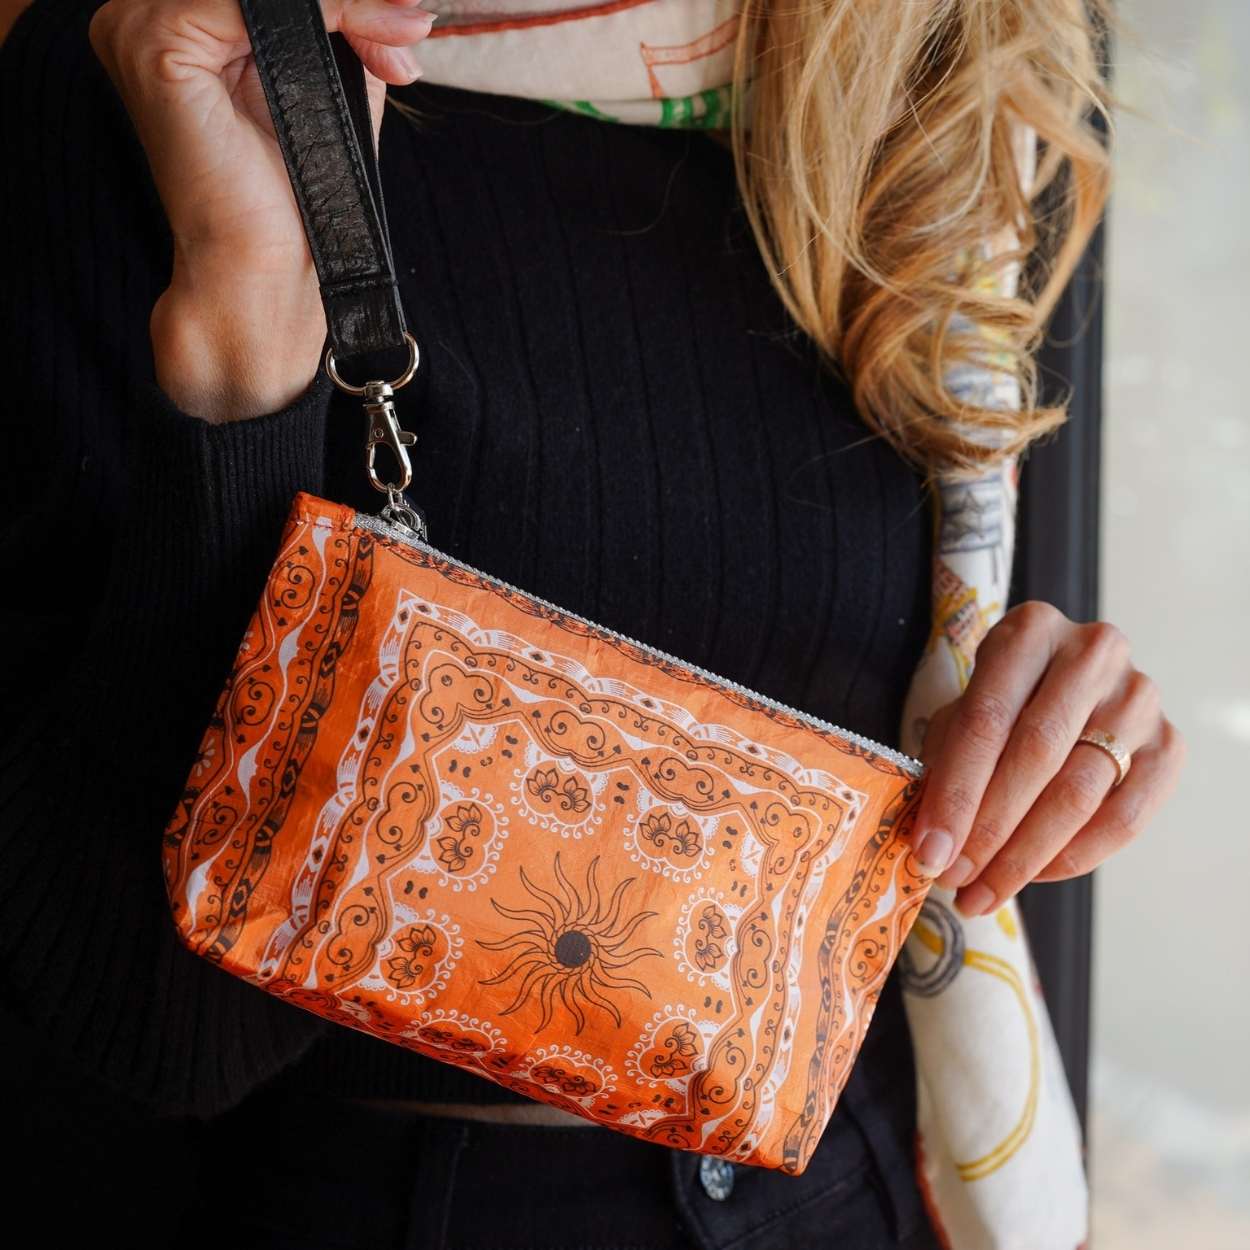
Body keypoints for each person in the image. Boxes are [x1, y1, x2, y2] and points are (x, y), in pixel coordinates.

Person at [0, 2, 1184, 1248]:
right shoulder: (189, 60)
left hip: (859, 1188)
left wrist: (1064, 717)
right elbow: (144, 1032)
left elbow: (947, 671)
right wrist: (246, 364)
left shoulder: (943, 76)